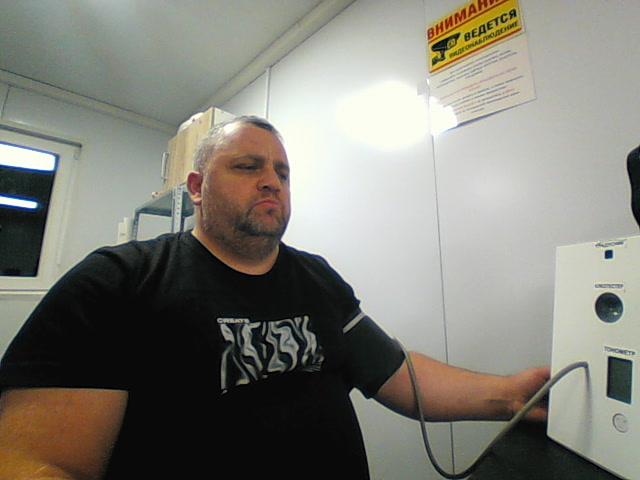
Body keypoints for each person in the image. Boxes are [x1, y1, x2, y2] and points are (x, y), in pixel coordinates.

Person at [0, 116, 549, 480]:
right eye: (247, 166)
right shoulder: (118, 281)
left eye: (282, 172)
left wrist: (510, 397)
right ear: (197, 188)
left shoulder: (317, 279)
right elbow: (38, 461)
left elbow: (397, 374)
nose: (272, 181)